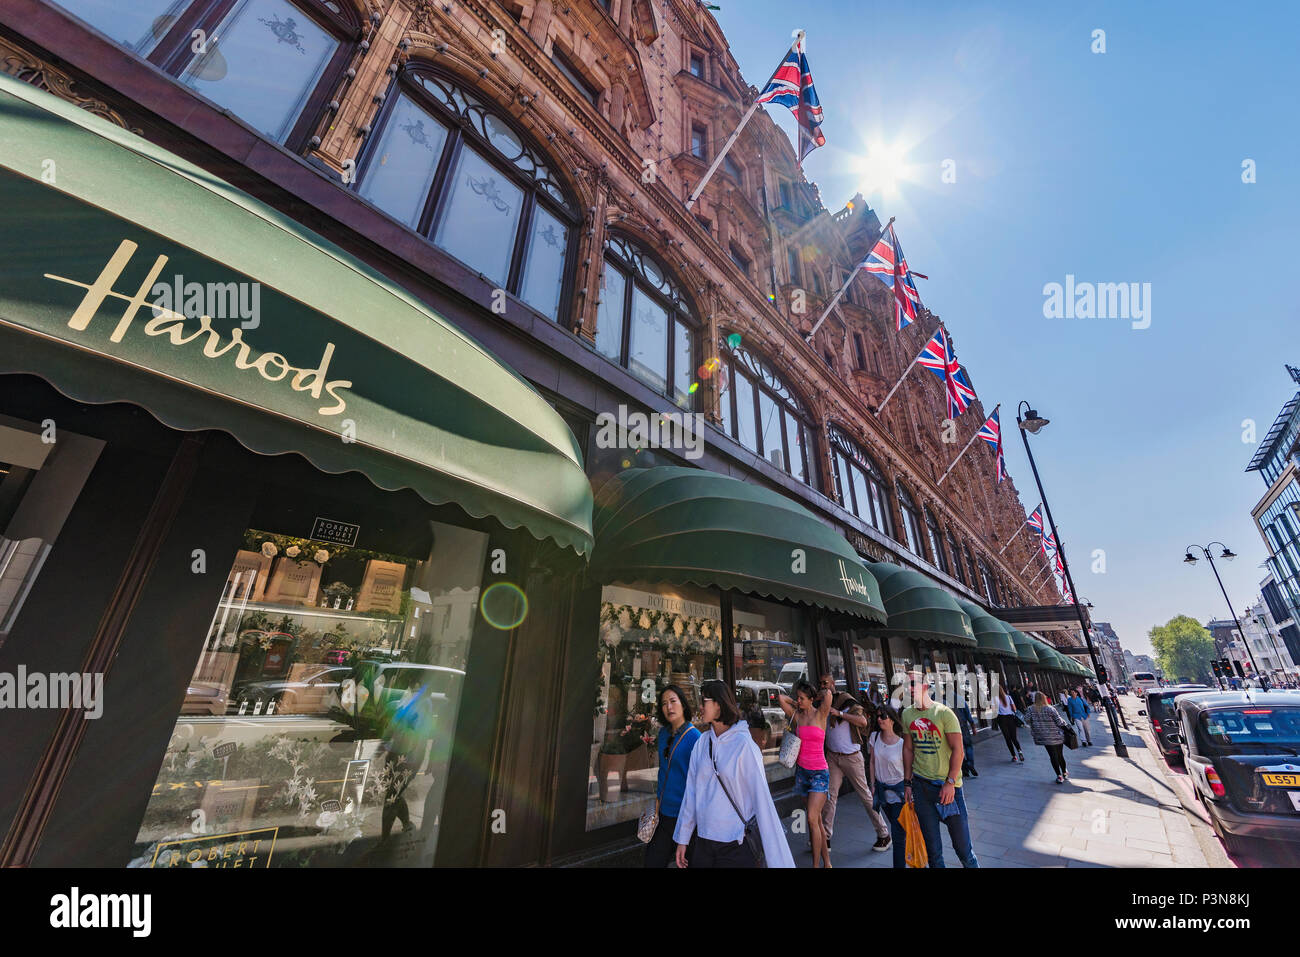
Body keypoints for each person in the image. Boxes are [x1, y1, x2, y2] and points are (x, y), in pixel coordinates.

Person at [674, 680, 793, 868]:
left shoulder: (744, 745)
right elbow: (691, 794)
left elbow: (762, 801)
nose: (699, 707)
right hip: (704, 841)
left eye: (703, 701)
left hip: (735, 843)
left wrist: (778, 861)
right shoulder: (702, 744)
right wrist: (683, 839)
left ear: (719, 704)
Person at [901, 669, 979, 868]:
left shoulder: (944, 713)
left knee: (964, 850)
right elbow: (908, 749)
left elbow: (958, 750)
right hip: (921, 788)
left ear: (925, 686)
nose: (907, 688)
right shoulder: (907, 714)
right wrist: (908, 783)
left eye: (912, 684)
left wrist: (950, 782)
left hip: (948, 790)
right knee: (933, 852)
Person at [816, 673, 892, 854]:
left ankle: (884, 834)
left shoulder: (846, 701)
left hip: (852, 756)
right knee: (830, 796)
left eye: (826, 683)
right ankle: (825, 837)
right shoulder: (822, 704)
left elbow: (862, 721)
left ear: (833, 684)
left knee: (865, 796)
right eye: (820, 683)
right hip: (833, 757)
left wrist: (840, 713)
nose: (823, 686)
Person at [778, 680, 833, 867]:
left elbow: (828, 696)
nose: (798, 701)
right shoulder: (797, 716)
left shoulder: (821, 714)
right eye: (798, 698)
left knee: (810, 818)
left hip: (819, 773)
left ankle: (816, 865)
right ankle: (827, 862)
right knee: (816, 820)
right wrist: (797, 703)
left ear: (811, 699)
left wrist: (816, 694)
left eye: (802, 698)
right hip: (802, 772)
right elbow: (780, 698)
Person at [644, 685, 701, 868]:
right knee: (652, 861)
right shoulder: (663, 734)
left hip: (684, 817)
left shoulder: (695, 738)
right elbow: (663, 771)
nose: (669, 707)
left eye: (673, 701)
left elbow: (699, 783)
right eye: (664, 704)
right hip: (662, 814)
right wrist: (658, 800)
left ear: (683, 704)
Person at [867, 703, 909, 869]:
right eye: (877, 716)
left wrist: (908, 787)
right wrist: (872, 784)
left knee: (898, 836)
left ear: (892, 720)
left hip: (899, 793)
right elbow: (871, 762)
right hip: (882, 792)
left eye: (883, 716)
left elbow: (908, 768)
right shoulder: (874, 737)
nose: (879, 719)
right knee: (899, 830)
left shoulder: (902, 743)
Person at [1027, 691, 1072, 783]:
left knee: (1052, 756)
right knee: (1060, 755)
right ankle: (1064, 772)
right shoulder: (1050, 709)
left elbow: (1026, 719)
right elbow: (1059, 722)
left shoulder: (1031, 709)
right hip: (1056, 735)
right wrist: (1067, 725)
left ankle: (1059, 776)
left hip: (1044, 736)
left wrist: (1035, 723)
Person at [994, 683, 1025, 762]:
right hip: (1010, 718)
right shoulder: (1008, 697)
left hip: (1002, 719)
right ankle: (1019, 751)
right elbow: (1014, 709)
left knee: (1007, 739)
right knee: (1014, 738)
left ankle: (1014, 756)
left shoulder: (995, 699)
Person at [955, 700, 978, 778]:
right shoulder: (959, 699)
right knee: (968, 746)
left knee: (957, 749)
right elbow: (968, 714)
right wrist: (973, 727)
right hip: (963, 726)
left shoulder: (941, 700)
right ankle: (970, 764)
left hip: (951, 728)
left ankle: (964, 769)